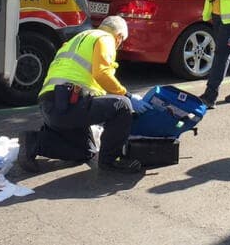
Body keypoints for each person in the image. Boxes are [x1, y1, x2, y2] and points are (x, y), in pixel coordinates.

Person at [17, 15, 142, 174]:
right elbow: (102, 73)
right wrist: (127, 95)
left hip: (51, 105)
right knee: (122, 105)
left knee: (85, 151)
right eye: (121, 42)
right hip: (70, 102)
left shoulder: (78, 39)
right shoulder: (105, 39)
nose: (119, 45)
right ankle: (111, 161)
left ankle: (35, 142)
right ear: (119, 37)